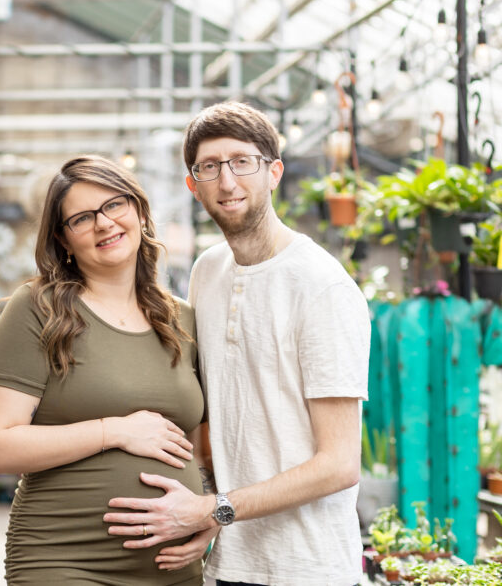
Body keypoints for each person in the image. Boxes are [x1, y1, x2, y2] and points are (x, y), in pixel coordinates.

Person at [104, 101, 371, 586]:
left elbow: (339, 464)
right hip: (229, 563)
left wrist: (213, 509)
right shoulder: (209, 270)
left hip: (307, 568)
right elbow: (216, 412)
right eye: (209, 167)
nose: (226, 182)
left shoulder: (321, 286)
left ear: (274, 172)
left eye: (242, 162)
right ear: (193, 184)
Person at [0, 155, 207, 585]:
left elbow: (201, 443)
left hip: (173, 565)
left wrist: (211, 513)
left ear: (139, 211)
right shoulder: (36, 310)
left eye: (114, 205)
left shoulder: (184, 320)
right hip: (64, 559)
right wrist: (115, 431)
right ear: (63, 240)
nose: (104, 224)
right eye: (82, 218)